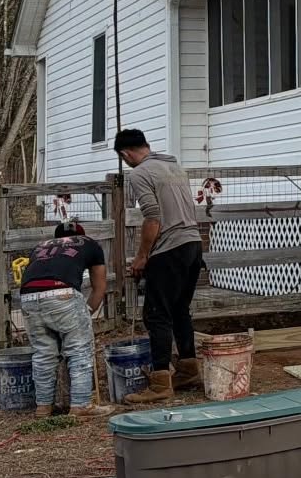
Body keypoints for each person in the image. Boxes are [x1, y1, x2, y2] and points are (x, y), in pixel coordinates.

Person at [113, 128, 204, 405]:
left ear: (125, 154)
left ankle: (160, 382)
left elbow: (153, 217)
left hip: (170, 248)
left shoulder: (140, 173)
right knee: (179, 310)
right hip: (193, 244)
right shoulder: (173, 167)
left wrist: (142, 256)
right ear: (147, 145)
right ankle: (188, 370)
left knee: (156, 314)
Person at [19, 219, 110, 418]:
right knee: (79, 350)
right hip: (62, 292)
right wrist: (85, 312)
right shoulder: (89, 243)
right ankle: (80, 405)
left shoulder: (40, 247)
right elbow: (99, 287)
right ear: (81, 235)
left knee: (43, 353)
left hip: (28, 296)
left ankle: (43, 407)